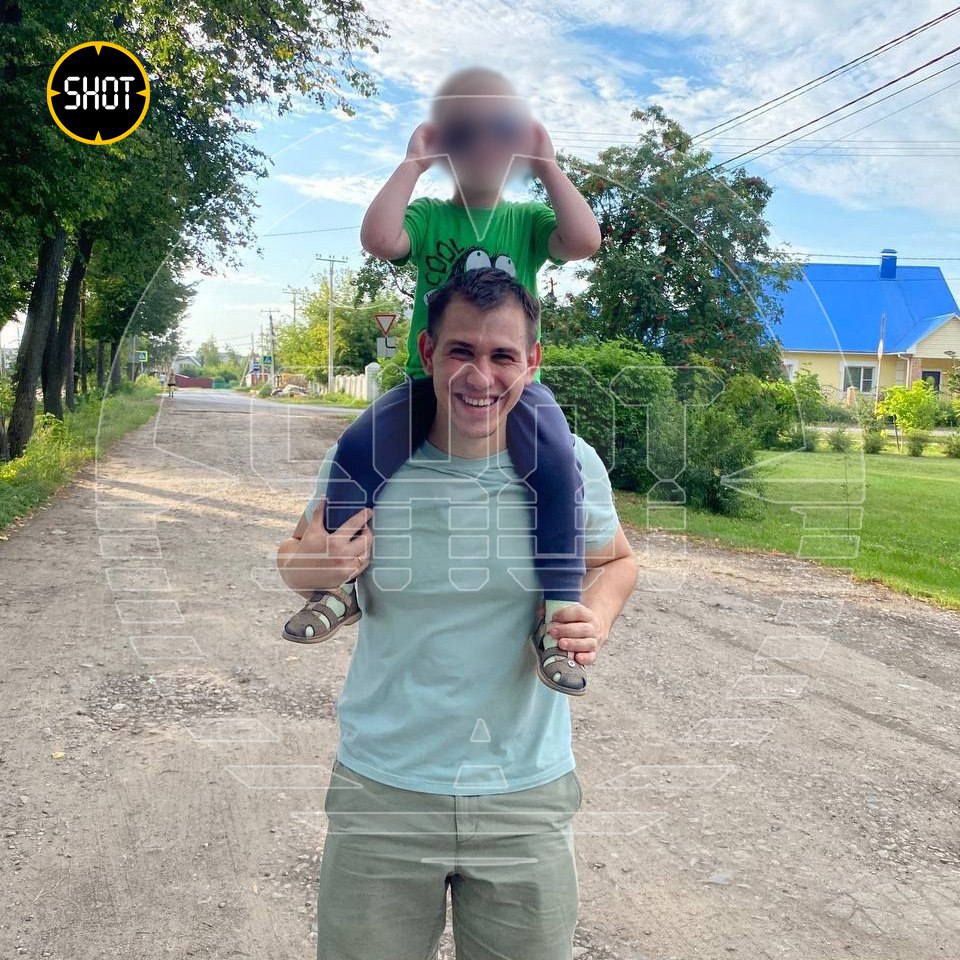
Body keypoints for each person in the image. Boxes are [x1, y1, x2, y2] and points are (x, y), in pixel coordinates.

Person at [276, 267, 637, 960]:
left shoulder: (569, 464)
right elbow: (293, 560)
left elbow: (618, 562)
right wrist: (317, 570)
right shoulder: (369, 462)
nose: (480, 376)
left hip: (523, 796)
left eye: (503, 355)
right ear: (427, 352)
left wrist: (593, 616)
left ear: (532, 361)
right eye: (461, 351)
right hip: (384, 789)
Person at [281, 66, 602, 696]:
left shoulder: (528, 221)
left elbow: (585, 241)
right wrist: (413, 164)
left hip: (513, 388)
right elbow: (379, 238)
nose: (483, 146)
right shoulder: (428, 215)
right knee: (357, 451)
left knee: (559, 467)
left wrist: (547, 166)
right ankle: (340, 587)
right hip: (427, 381)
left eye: (501, 132)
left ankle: (558, 608)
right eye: (464, 133)